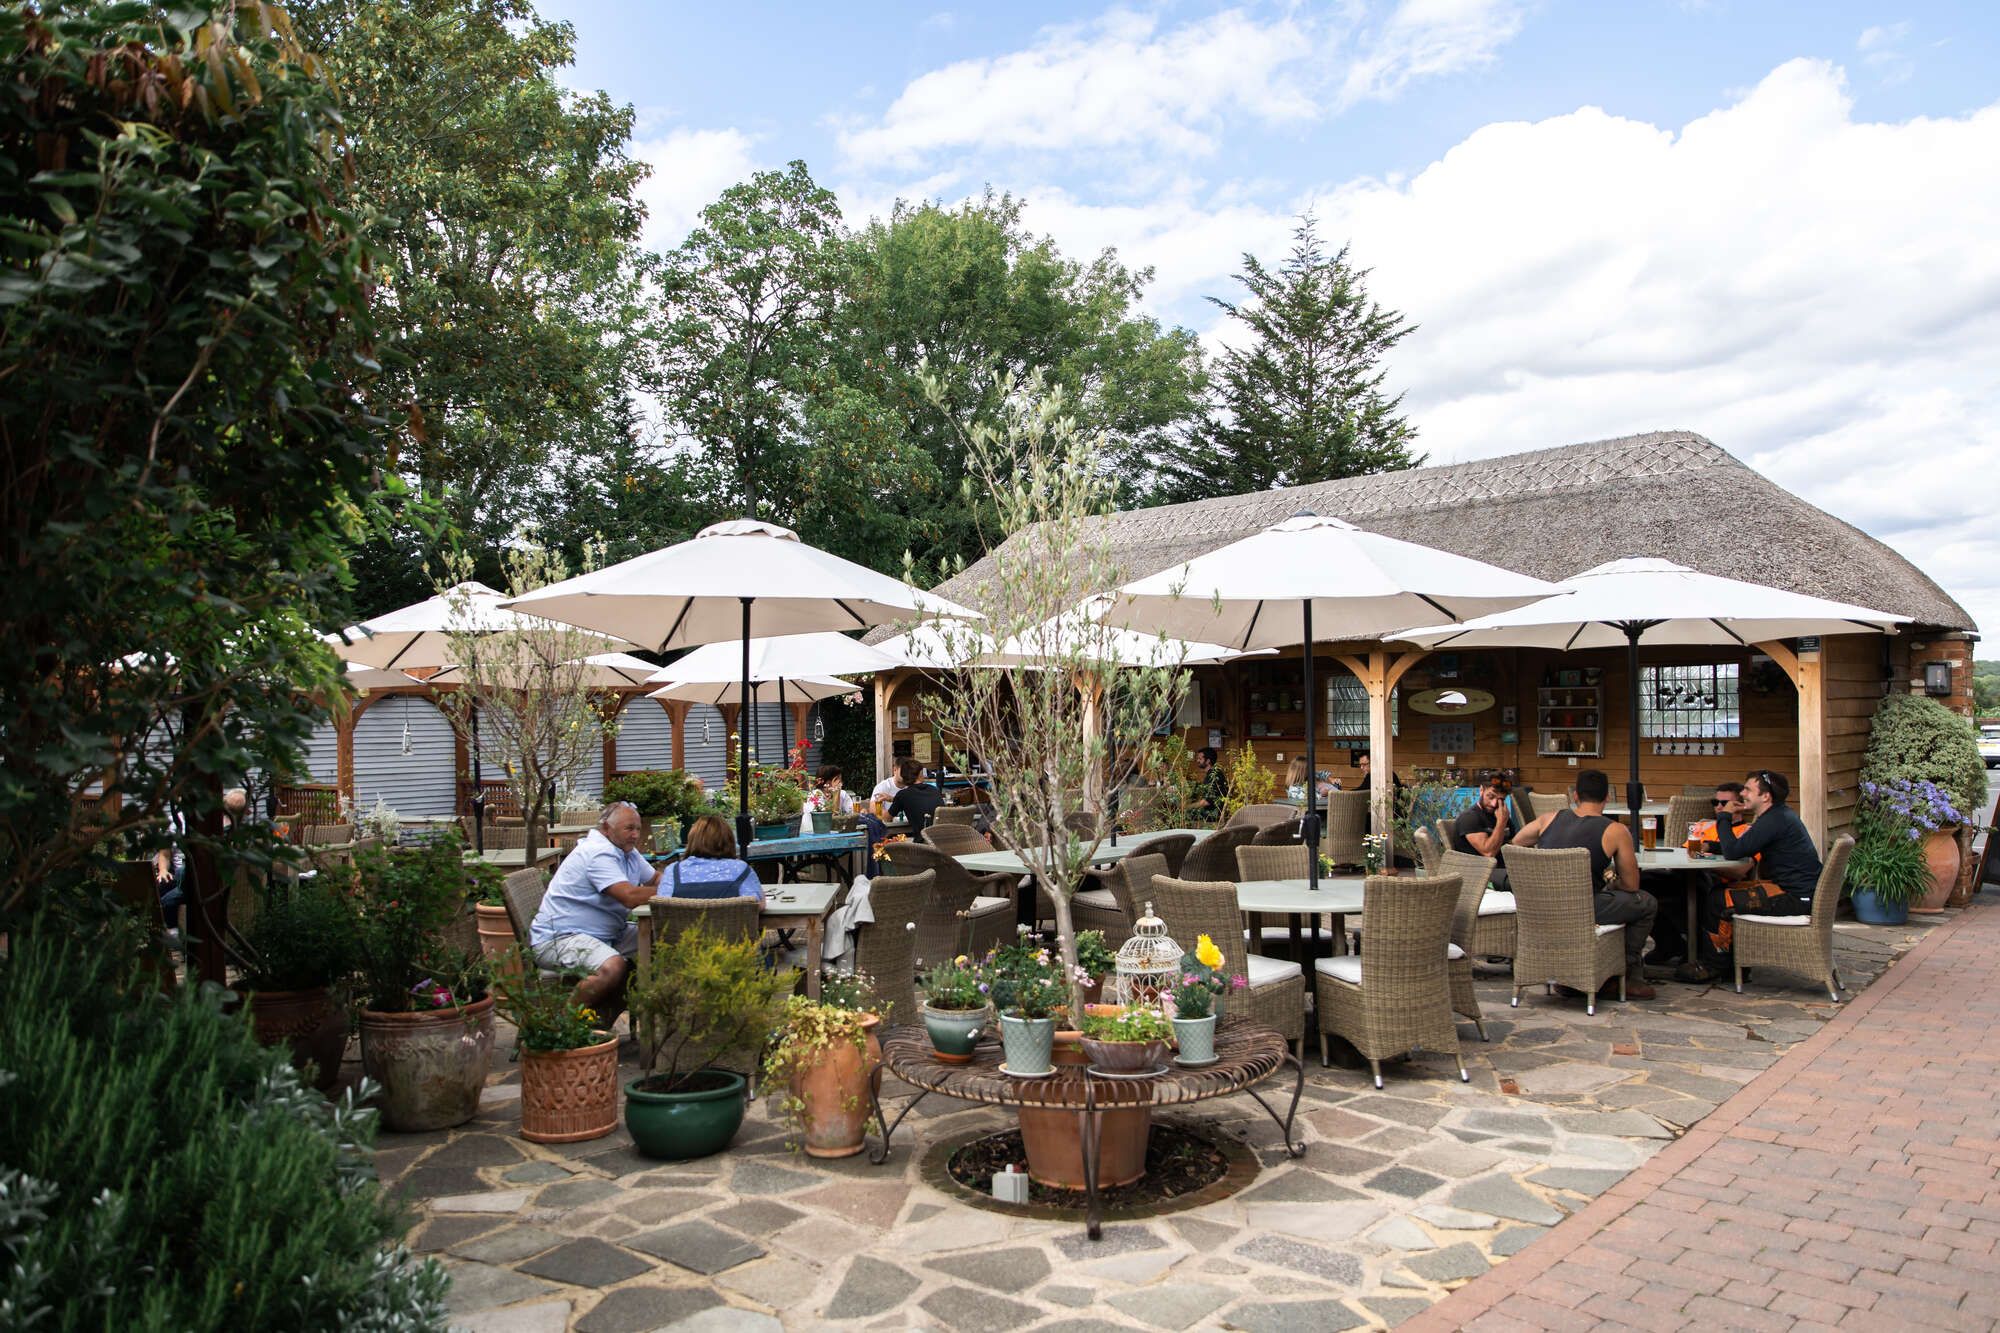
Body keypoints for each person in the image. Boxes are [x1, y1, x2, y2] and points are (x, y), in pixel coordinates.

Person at [1511, 768, 1657, 1000]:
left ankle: (1571, 976)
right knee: (1647, 903)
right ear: (1607, 798)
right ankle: (1623, 975)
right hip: (1585, 908)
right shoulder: (1616, 830)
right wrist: (1612, 883)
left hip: (1539, 908)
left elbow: (1516, 844)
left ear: (1575, 796)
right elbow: (1630, 884)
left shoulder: (1548, 819)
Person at [528, 801, 663, 1016]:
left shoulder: (627, 851)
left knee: (665, 938)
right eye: (629, 828)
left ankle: (639, 1010)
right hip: (561, 938)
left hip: (607, 934)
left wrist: (670, 883)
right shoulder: (598, 853)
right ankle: (563, 1024)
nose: (636, 835)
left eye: (638, 828)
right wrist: (672, 890)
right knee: (613, 967)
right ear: (607, 829)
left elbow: (655, 878)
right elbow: (628, 896)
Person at [1696, 770, 1822, 978]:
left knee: (1719, 898)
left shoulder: (1773, 820)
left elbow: (1734, 851)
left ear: (1765, 796)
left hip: (1794, 898)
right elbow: (1743, 846)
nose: (1743, 794)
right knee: (1719, 892)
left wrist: (1724, 817)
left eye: (1747, 789)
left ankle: (1715, 967)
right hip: (1796, 892)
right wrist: (1712, 846)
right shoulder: (1778, 816)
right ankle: (1730, 965)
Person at [667, 815, 765, 904]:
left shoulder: (673, 872)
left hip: (685, 923)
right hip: (730, 923)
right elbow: (757, 904)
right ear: (728, 840)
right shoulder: (741, 870)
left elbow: (661, 905)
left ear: (692, 840)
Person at [1450, 772, 1513, 888]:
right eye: (1491, 796)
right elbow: (1488, 853)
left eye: (1500, 799)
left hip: (1504, 869)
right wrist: (1501, 823)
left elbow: (1514, 843)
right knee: (1525, 883)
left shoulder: (1501, 815)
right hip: (1479, 874)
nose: (1494, 804)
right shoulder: (1470, 818)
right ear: (1481, 790)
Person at [887, 758, 946, 834]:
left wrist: (877, 807)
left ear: (903, 776)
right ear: (920, 774)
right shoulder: (934, 790)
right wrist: (892, 799)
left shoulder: (903, 795)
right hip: (944, 840)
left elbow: (887, 818)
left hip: (924, 842)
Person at [1192, 746, 1226, 822]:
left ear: (1208, 761)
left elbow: (1207, 802)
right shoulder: (1212, 773)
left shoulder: (1214, 775)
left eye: (1200, 759)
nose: (1197, 761)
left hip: (1213, 814)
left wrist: (1187, 807)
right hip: (1210, 812)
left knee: (1186, 813)